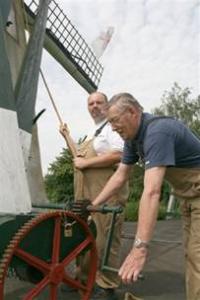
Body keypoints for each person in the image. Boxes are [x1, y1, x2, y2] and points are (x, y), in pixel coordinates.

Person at [92, 92, 200, 300]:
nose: (113, 127)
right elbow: (120, 175)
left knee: (198, 257)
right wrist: (92, 205)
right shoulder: (133, 140)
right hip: (188, 198)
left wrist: (139, 248)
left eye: (114, 120)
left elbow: (151, 192)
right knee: (192, 257)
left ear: (132, 112)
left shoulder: (158, 132)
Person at [60, 91, 129, 300]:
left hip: (106, 193)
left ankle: (106, 285)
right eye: (91, 103)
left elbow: (120, 154)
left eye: (99, 102)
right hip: (85, 194)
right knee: (85, 236)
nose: (95, 106)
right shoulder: (92, 132)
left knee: (105, 238)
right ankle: (82, 278)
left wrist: (86, 163)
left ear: (107, 106)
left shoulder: (112, 129)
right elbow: (78, 158)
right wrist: (67, 137)